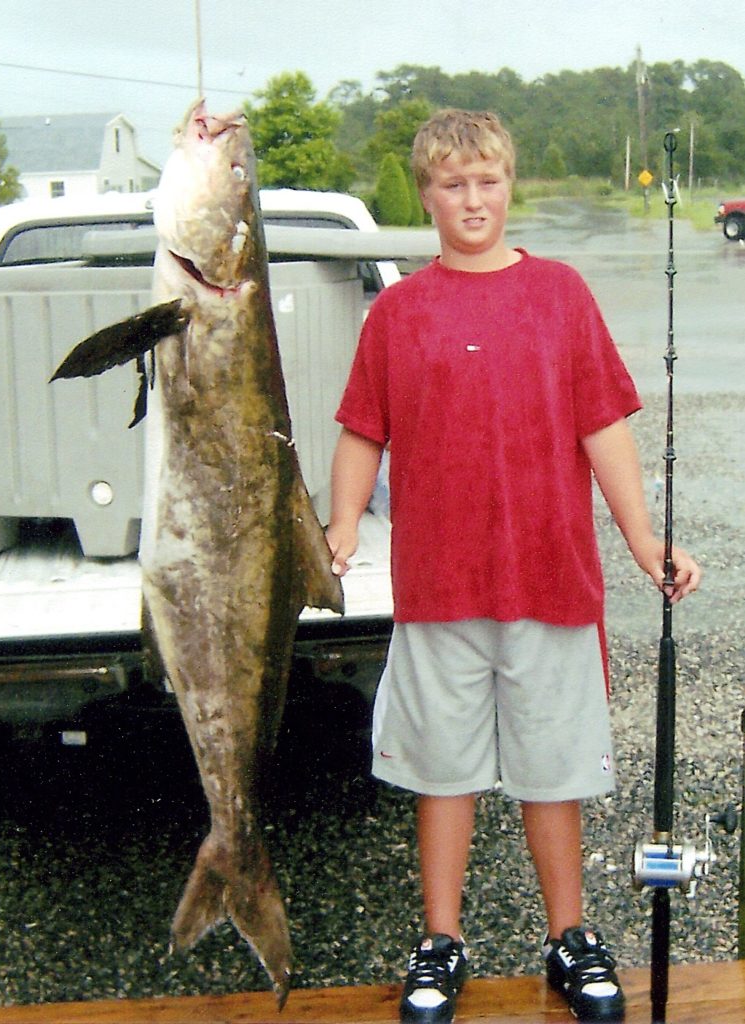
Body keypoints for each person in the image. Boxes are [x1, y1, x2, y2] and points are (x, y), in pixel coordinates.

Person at [325, 108, 701, 1024]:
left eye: (486, 181)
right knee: (440, 771)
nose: (471, 199)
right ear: (426, 195)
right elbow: (360, 429)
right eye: (452, 185)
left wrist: (642, 539)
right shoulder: (400, 310)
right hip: (438, 588)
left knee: (551, 770)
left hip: (550, 579)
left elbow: (602, 426)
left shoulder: (561, 293)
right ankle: (440, 943)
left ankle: (568, 937)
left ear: (508, 183)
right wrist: (338, 524)